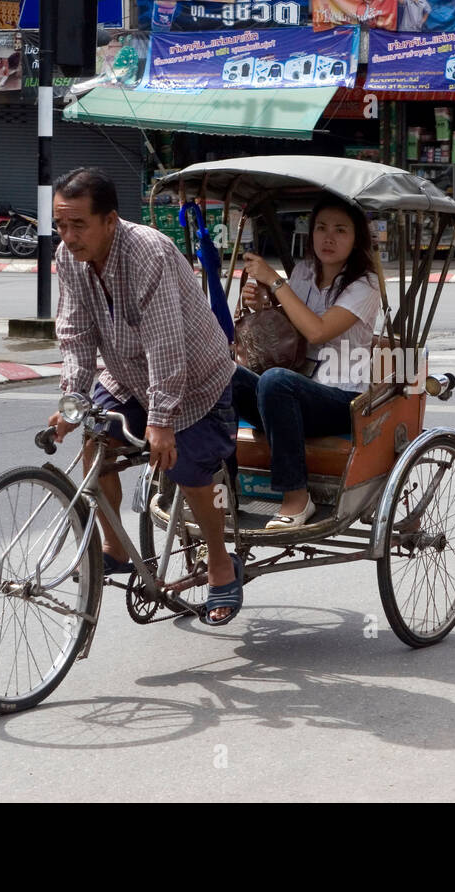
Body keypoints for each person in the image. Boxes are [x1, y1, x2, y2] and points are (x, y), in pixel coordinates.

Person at [46, 167, 244, 625]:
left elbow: (165, 345)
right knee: (95, 435)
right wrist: (71, 403)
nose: (69, 235)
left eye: (78, 224)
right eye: (61, 224)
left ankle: (219, 564)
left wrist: (161, 421)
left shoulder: (146, 252)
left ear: (110, 220)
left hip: (194, 377)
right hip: (126, 373)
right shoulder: (68, 257)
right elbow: (75, 335)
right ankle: (114, 545)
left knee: (187, 462)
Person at [232, 192, 382, 528]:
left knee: (275, 380)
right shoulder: (303, 272)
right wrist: (263, 302)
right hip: (289, 393)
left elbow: (317, 332)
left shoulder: (366, 284)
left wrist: (274, 281)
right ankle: (222, 486)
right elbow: (289, 327)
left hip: (341, 399)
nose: (328, 238)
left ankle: (296, 498)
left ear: (356, 238)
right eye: (322, 228)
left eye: (341, 230)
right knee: (223, 373)